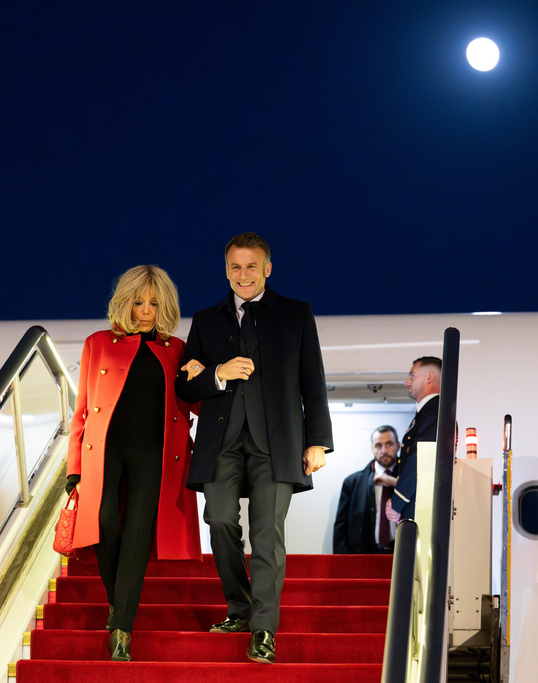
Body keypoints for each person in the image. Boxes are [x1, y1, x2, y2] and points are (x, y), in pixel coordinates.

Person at [177, 232, 333, 665]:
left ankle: (263, 629)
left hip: (277, 446)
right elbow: (185, 386)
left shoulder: (296, 314)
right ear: (225, 271)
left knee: (267, 537)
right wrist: (218, 374)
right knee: (221, 522)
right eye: (234, 267)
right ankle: (238, 608)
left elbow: (311, 381)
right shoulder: (206, 320)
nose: (242, 275)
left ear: (267, 268)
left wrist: (318, 440)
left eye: (251, 266)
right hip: (220, 444)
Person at [65, 265, 202, 662]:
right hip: (105, 449)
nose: (146, 310)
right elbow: (82, 411)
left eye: (155, 303)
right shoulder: (98, 343)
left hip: (155, 452)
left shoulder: (176, 348)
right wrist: (73, 467)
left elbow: (193, 402)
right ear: (125, 303)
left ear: (166, 306)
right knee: (106, 522)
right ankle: (117, 605)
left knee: (138, 535)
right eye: (139, 301)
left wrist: (206, 375)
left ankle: (121, 628)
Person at [387, 356, 440, 522]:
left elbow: (421, 457)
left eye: (412, 376)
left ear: (429, 377)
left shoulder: (434, 411)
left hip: (420, 508)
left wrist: (397, 502)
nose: (406, 382)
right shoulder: (427, 412)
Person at [333, 425, 399, 554]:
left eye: (389, 444)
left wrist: (397, 483)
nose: (384, 450)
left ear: (398, 445)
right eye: (378, 445)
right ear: (372, 448)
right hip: (364, 553)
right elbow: (341, 526)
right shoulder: (352, 483)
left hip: (403, 553)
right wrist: (340, 562)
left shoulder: (412, 479)